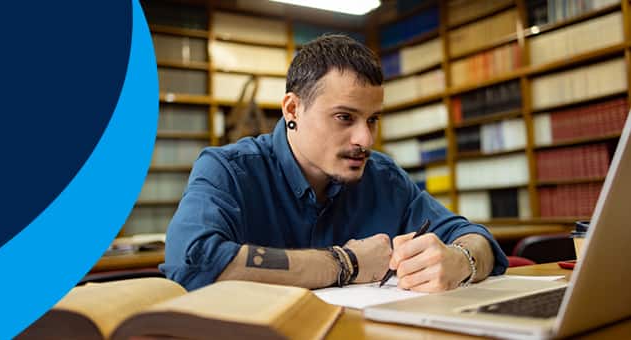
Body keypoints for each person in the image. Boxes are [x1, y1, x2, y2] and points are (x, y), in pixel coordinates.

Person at [160, 34, 508, 292]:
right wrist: (346, 263)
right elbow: (193, 262)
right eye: (345, 117)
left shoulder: (384, 178)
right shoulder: (228, 170)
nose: (365, 140)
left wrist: (461, 260)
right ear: (292, 109)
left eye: (373, 120)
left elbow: (474, 236)